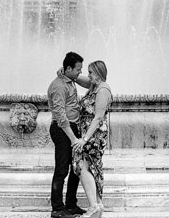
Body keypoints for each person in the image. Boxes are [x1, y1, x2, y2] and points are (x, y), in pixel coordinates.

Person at [47, 52, 86, 217]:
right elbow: (61, 117)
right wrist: (74, 139)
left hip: (72, 128)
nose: (80, 73)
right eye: (78, 69)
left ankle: (71, 205)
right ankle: (57, 209)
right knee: (62, 169)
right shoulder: (58, 86)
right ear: (68, 68)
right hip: (62, 130)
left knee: (76, 168)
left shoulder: (70, 80)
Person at [72, 60, 112, 218]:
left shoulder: (103, 89)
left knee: (82, 165)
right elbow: (81, 80)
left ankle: (94, 205)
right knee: (90, 167)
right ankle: (97, 205)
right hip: (89, 134)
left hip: (94, 135)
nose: (87, 75)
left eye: (90, 72)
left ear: (98, 73)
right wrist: (70, 75)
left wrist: (84, 139)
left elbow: (98, 117)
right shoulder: (94, 85)